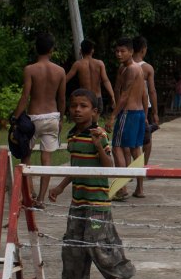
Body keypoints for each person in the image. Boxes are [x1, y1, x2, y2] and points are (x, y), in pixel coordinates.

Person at [46, 89, 135, 279]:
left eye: (83, 106)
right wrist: (60, 188)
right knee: (74, 243)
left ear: (94, 111)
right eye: (74, 106)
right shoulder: (73, 135)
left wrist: (98, 146)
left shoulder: (100, 135)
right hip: (79, 201)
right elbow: (76, 167)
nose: (77, 110)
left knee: (97, 244)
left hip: (97, 204)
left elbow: (108, 166)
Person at [12, 33, 66, 205]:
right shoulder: (60, 71)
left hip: (33, 118)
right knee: (46, 159)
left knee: (25, 156)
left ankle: (29, 194)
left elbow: (25, 96)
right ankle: (41, 198)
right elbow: (62, 99)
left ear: (36, 49)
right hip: (52, 116)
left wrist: (15, 117)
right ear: (52, 50)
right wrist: (61, 119)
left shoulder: (30, 69)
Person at [110, 38, 142, 197]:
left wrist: (112, 116)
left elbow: (124, 95)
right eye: (117, 51)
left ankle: (122, 189)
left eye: (122, 51)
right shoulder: (130, 68)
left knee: (117, 147)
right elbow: (119, 89)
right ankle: (139, 188)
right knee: (136, 149)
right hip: (138, 113)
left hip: (129, 113)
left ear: (131, 52)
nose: (119, 54)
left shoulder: (131, 69)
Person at [132, 36, 159, 199]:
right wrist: (155, 112)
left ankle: (131, 170)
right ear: (143, 49)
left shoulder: (125, 66)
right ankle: (143, 168)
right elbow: (152, 91)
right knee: (146, 141)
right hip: (143, 108)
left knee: (130, 143)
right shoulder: (147, 68)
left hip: (129, 108)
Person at [65, 38, 115, 114]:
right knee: (95, 123)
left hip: (85, 98)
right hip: (97, 97)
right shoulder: (99, 63)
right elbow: (106, 81)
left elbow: (65, 79)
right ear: (92, 50)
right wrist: (112, 96)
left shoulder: (78, 64)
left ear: (81, 51)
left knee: (85, 123)